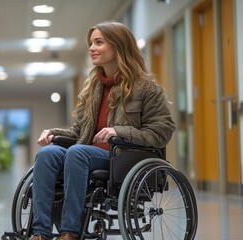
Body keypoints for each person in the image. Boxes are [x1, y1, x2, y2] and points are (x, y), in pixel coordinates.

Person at [29, 21, 176, 240]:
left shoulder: (146, 87)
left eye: (99, 42)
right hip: (86, 153)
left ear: (118, 46)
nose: (91, 48)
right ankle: (39, 233)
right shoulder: (93, 87)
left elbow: (162, 131)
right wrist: (53, 132)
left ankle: (70, 232)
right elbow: (80, 131)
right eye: (91, 43)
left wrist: (120, 131)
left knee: (77, 153)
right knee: (46, 154)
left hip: (122, 156)